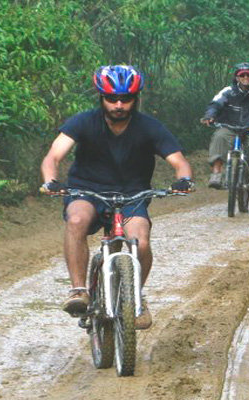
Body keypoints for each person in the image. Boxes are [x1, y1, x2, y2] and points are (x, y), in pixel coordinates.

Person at [39, 65, 194, 330]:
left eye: (126, 99)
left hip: (133, 193)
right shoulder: (84, 121)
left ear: (136, 98)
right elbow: (53, 156)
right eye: (112, 99)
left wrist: (184, 179)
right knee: (76, 220)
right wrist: (51, 180)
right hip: (87, 190)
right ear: (101, 97)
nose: (119, 105)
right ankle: (78, 290)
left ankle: (135, 298)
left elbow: (179, 161)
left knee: (141, 242)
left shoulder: (150, 127)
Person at [200, 62, 249, 189]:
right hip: (230, 127)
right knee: (219, 137)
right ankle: (216, 174)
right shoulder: (228, 91)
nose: (245, 78)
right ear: (237, 77)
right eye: (242, 75)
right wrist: (210, 116)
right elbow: (215, 104)